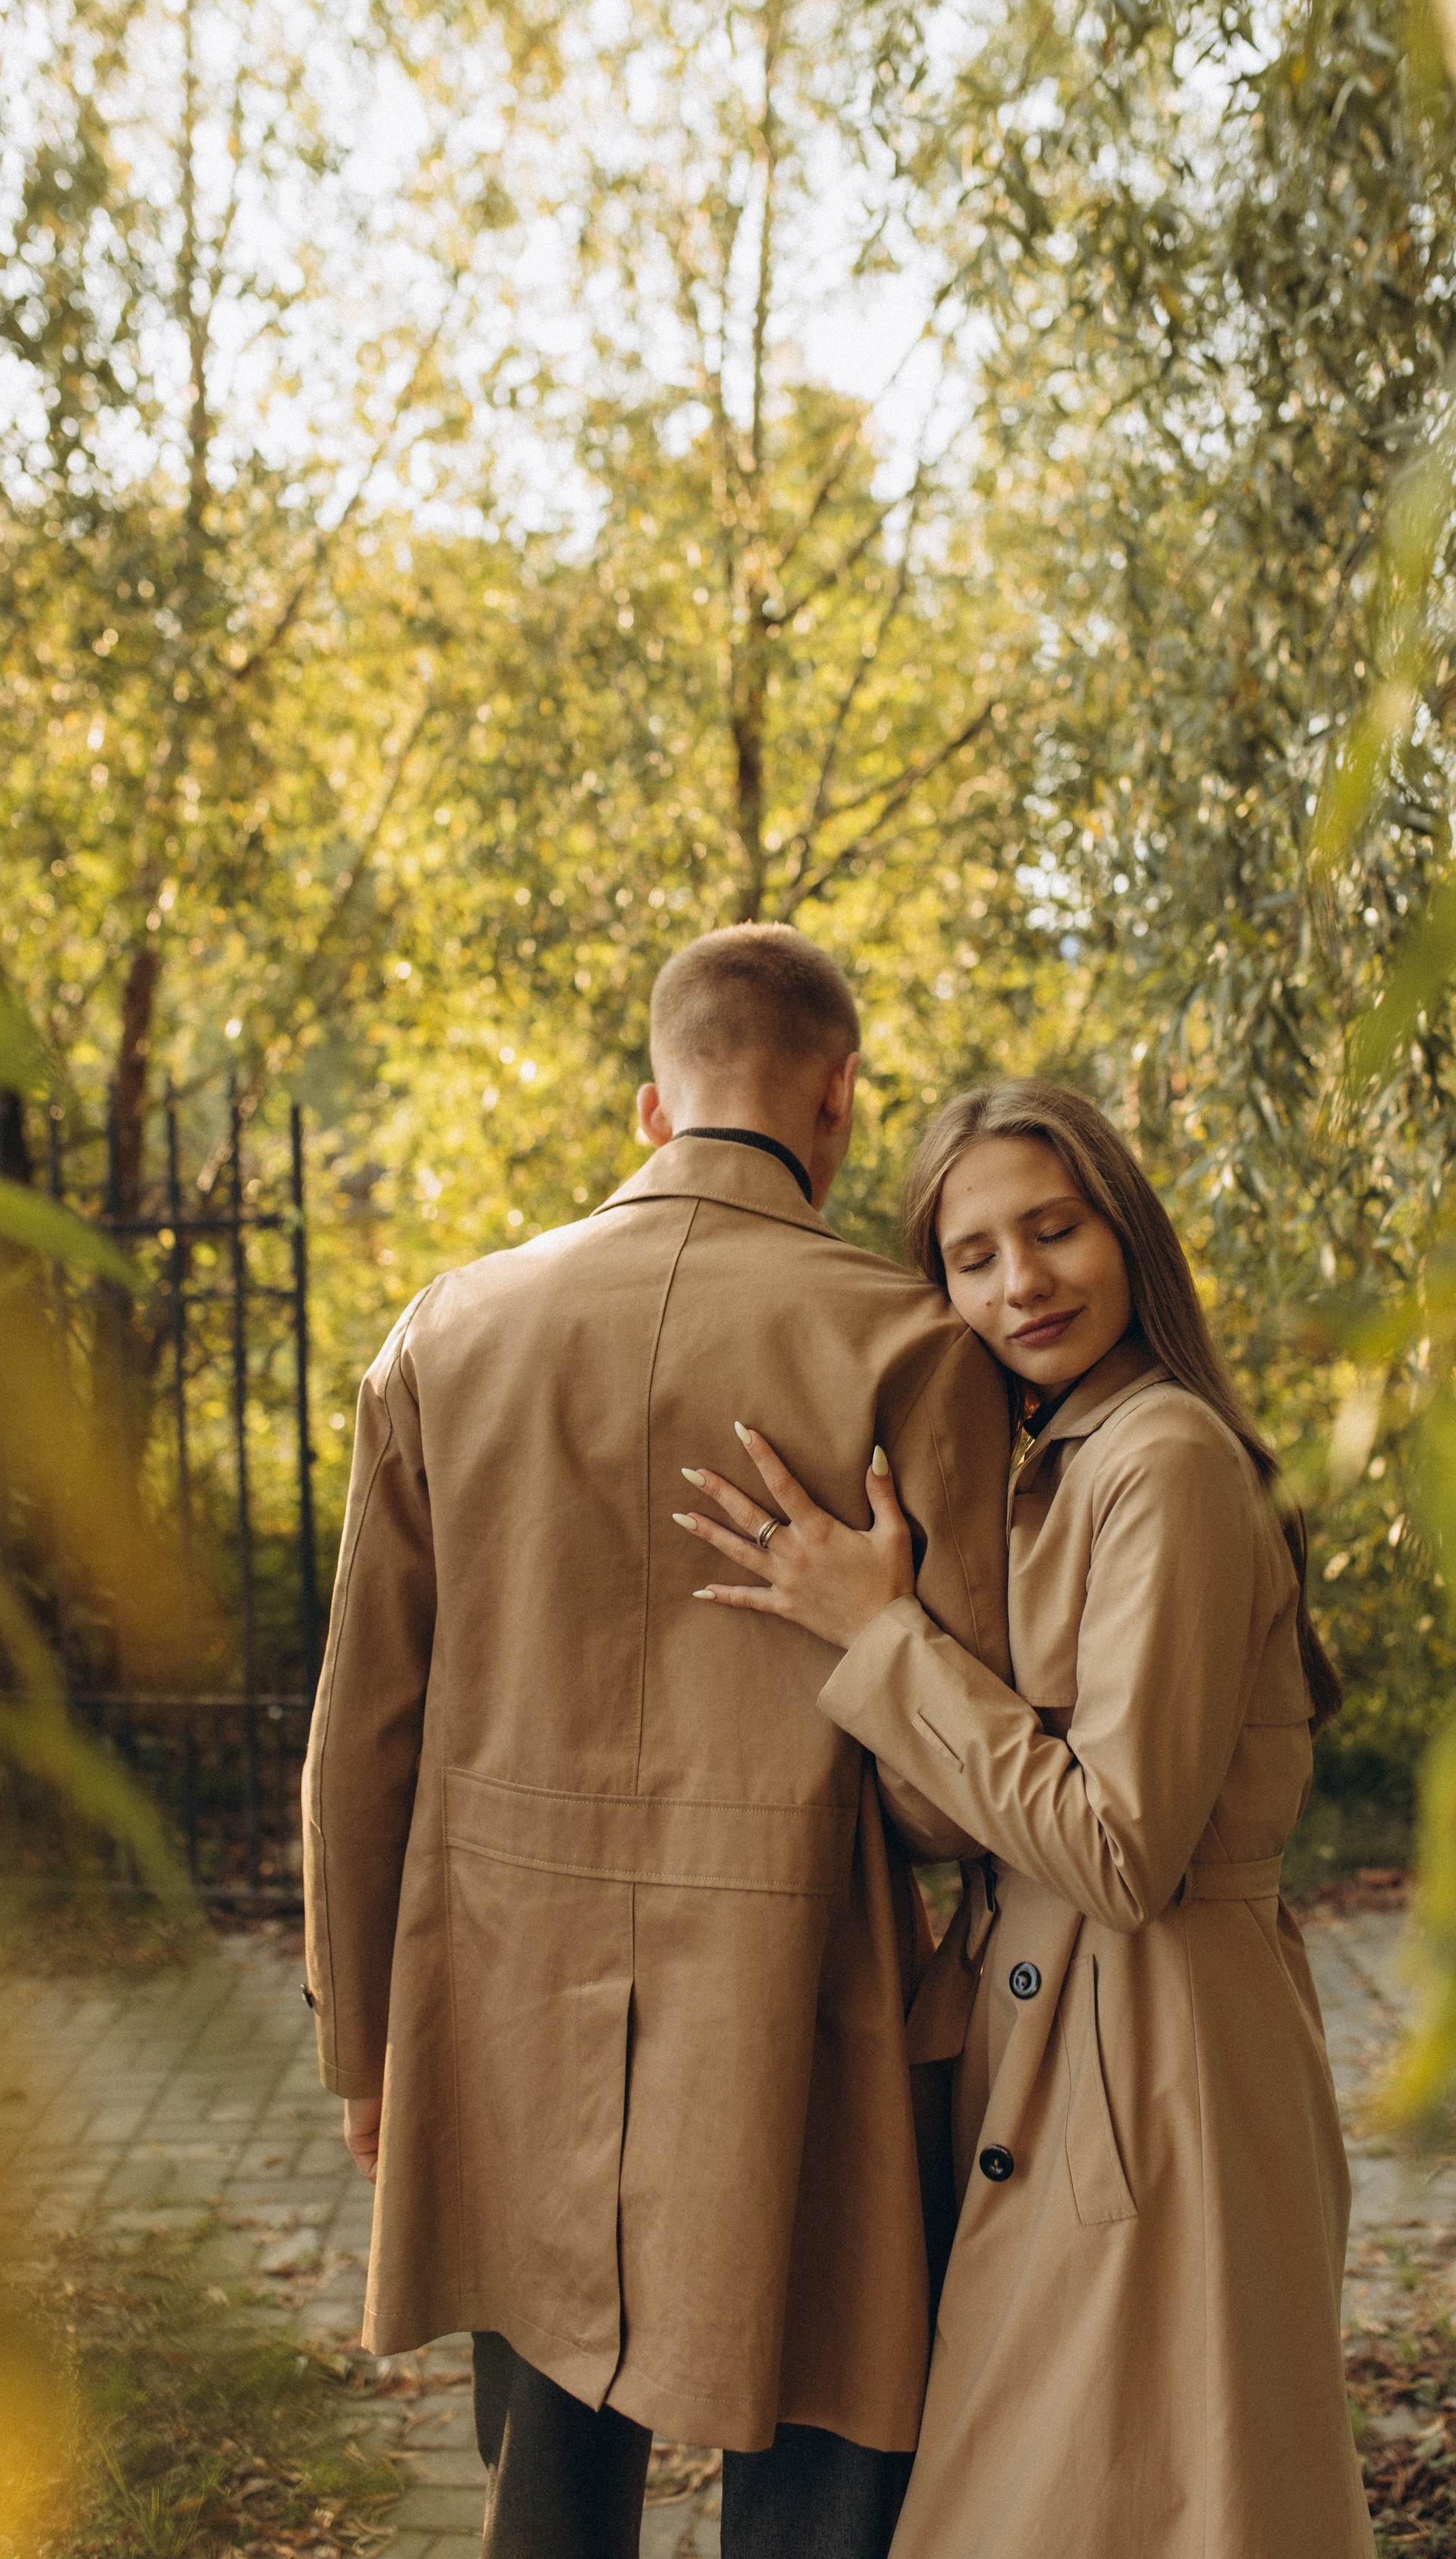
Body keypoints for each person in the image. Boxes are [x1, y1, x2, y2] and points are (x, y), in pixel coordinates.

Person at [301, 927, 1012, 2559]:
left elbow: (363, 1735)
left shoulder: (449, 1328)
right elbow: (940, 1798)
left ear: (650, 1105)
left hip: (497, 1994)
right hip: (810, 2003)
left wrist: (366, 2039)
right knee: (831, 2455)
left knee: (548, 2459)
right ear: (838, 1100)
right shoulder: (913, 1346)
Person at [678, 1078, 1375, 2559]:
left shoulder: (1162, 1463)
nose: (1019, 1283)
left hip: (1158, 2072)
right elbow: (968, 1820)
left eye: (1050, 1231)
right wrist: (866, 1630)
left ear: (1122, 1233)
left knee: (1148, 2508)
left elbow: (1116, 1850)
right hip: (1051, 2062)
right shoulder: (1047, 1468)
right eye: (971, 1256)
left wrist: (884, 1647)